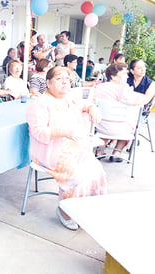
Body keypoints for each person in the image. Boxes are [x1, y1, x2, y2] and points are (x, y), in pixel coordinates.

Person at [26, 66, 107, 230]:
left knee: (96, 170)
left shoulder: (69, 98)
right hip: (49, 150)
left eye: (67, 79)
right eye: (59, 79)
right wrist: (66, 131)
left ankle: (84, 209)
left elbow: (85, 104)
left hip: (73, 147)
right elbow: (38, 132)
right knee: (76, 174)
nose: (65, 82)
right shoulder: (40, 103)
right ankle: (65, 210)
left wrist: (92, 108)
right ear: (48, 83)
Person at [94, 63, 155, 162]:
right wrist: (144, 97)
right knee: (131, 126)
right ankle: (116, 153)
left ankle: (99, 151)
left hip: (100, 127)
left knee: (109, 125)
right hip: (121, 130)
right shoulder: (123, 89)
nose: (127, 76)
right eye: (123, 74)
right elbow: (140, 101)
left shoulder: (99, 87)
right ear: (113, 76)